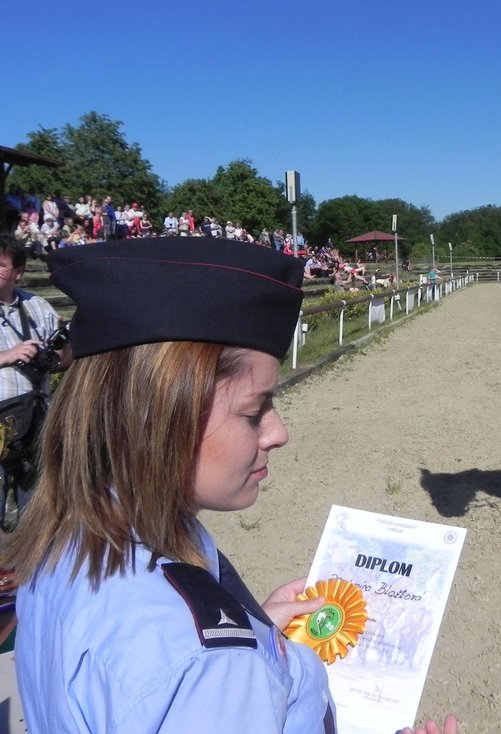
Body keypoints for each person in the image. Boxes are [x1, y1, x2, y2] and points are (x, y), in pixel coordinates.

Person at [2, 238, 456, 734]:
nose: (277, 433)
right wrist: (232, 664)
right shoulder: (205, 662)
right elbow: (188, 671)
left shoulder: (63, 544)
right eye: (254, 411)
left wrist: (256, 634)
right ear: (160, 417)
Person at [0, 235, 70, 527]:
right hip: (3, 417)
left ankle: (29, 567)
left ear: (18, 272)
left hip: (37, 421)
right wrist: (7, 355)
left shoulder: (38, 306)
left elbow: (64, 360)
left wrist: (63, 348)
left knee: (36, 514)